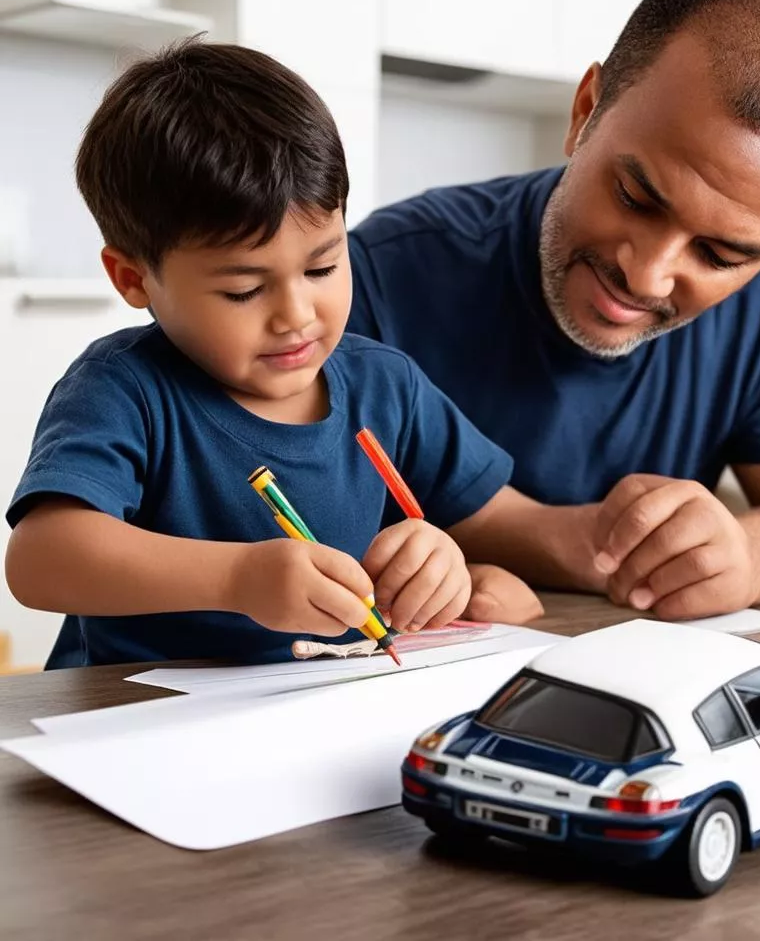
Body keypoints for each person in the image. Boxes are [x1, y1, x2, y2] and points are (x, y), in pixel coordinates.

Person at [346, 0, 760, 621]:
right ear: (585, 113)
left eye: (722, 254)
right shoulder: (377, 277)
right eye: (636, 198)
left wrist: (746, 555)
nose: (649, 275)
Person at [4, 39, 542, 669]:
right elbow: (40, 559)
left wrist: (449, 568)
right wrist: (236, 578)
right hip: (140, 725)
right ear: (133, 279)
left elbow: (480, 537)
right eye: (245, 290)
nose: (296, 316)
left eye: (323, 266)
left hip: (320, 710)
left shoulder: (385, 385)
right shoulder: (123, 389)